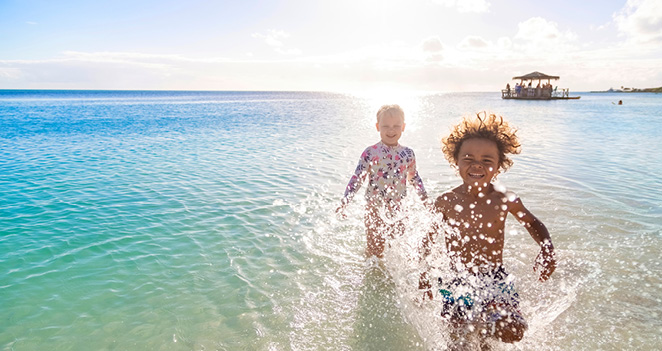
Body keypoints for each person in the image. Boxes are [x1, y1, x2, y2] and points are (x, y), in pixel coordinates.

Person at [418, 112, 556, 345]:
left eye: (486, 160)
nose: (476, 165)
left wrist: (547, 248)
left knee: (511, 330)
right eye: (468, 158)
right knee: (458, 342)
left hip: (495, 278)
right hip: (456, 279)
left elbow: (532, 223)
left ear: (499, 166)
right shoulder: (446, 202)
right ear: (456, 161)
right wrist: (423, 276)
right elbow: (427, 239)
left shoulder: (505, 199)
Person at [337, 104, 428, 258]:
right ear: (378, 127)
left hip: (398, 208)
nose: (391, 130)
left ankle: (392, 278)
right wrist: (345, 202)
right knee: (375, 250)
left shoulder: (408, 153)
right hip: (375, 208)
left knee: (397, 248)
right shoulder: (370, 152)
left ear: (403, 127)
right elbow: (357, 178)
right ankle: (371, 273)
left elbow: (414, 177)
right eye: (385, 126)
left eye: (396, 126)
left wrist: (425, 200)